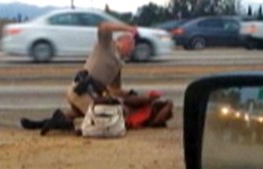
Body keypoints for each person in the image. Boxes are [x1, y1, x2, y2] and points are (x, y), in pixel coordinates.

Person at [21, 21, 173, 135]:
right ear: (123, 42)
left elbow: (115, 90)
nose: (132, 50)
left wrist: (142, 97)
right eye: (131, 45)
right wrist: (128, 28)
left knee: (83, 113)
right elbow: (104, 27)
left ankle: (41, 123)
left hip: (89, 95)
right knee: (103, 121)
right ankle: (61, 123)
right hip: (81, 90)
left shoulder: (118, 64)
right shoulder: (106, 46)